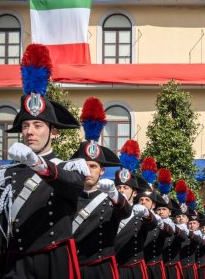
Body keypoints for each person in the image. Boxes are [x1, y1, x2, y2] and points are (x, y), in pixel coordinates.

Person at [0, 44, 87, 279]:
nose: (30, 132)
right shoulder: (7, 174)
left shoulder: (68, 167)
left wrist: (39, 165)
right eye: (25, 126)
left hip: (53, 261)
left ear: (53, 132)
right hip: (15, 264)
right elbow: (0, 231)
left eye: (37, 125)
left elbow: (72, 186)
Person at [70, 97, 132, 278]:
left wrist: (114, 194)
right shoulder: (69, 195)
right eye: (85, 165)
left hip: (100, 269)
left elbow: (125, 212)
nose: (88, 171)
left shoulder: (110, 199)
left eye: (94, 166)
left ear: (102, 171)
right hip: (72, 267)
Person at [114, 140, 159, 279]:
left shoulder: (140, 213)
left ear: (134, 193)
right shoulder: (107, 209)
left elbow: (152, 224)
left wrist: (147, 214)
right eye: (119, 187)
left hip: (133, 270)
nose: (121, 190)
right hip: (111, 268)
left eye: (126, 188)